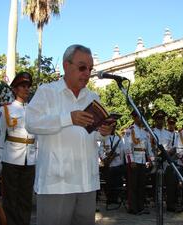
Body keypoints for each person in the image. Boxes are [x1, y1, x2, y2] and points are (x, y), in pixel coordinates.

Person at [25, 44, 115, 225]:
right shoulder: (47, 92)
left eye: (90, 69)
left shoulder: (93, 97)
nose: (87, 73)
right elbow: (31, 123)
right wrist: (68, 119)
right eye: (82, 67)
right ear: (66, 65)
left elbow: (95, 135)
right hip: (56, 183)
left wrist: (104, 132)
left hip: (87, 182)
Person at [0, 71, 37, 225]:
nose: (26, 89)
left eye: (28, 86)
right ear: (14, 89)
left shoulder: (34, 110)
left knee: (26, 199)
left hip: (30, 159)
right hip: (11, 159)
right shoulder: (5, 109)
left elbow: (37, 136)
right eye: (22, 86)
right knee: (10, 199)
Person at [151, 110, 179, 212]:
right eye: (158, 119)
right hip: (156, 160)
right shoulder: (151, 132)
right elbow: (149, 147)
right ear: (155, 120)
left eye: (162, 119)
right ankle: (156, 202)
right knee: (156, 183)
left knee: (170, 183)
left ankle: (170, 204)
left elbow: (174, 146)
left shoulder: (169, 133)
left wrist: (169, 152)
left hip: (167, 160)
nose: (160, 121)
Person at [126, 110, 153, 215]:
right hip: (134, 160)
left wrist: (151, 159)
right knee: (133, 185)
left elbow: (148, 148)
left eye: (142, 117)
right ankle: (133, 208)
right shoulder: (130, 130)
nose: (140, 119)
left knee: (142, 185)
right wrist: (131, 160)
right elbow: (127, 147)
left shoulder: (145, 132)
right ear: (134, 118)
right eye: (138, 117)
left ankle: (140, 207)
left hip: (142, 160)